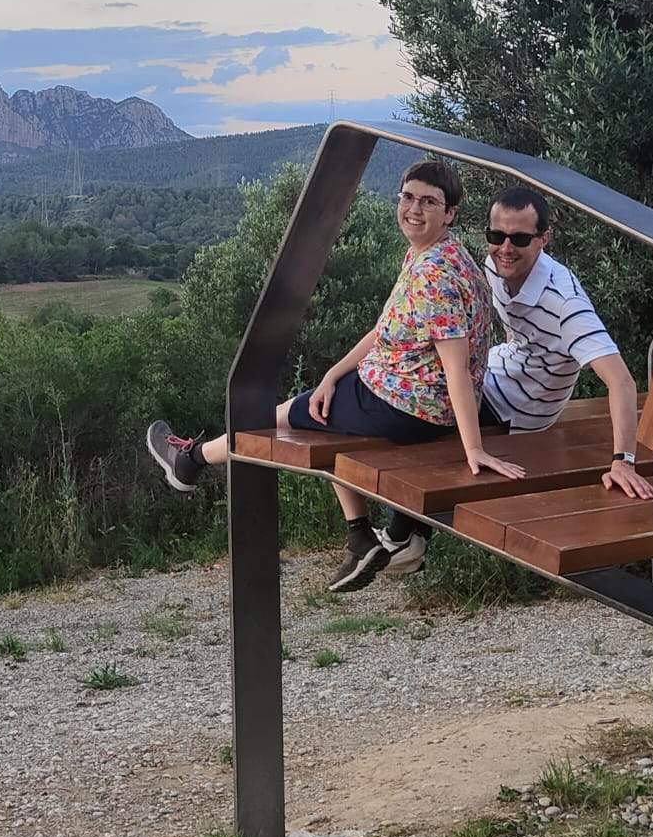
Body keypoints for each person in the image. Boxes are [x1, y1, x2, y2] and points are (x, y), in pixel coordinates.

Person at [144, 158, 516, 593]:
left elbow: (457, 366)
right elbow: (386, 330)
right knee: (321, 415)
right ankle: (370, 534)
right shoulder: (439, 254)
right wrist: (335, 373)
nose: (415, 209)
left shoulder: (433, 273)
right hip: (402, 395)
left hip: (405, 405)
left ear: (449, 212)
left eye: (429, 202)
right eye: (408, 197)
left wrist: (474, 449)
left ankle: (189, 461)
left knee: (274, 417)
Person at [373, 184, 653, 569]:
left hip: (523, 406)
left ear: (544, 239)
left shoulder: (564, 302)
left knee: (422, 410)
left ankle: (403, 538)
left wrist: (623, 461)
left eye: (520, 238)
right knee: (421, 385)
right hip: (498, 372)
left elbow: (621, 381)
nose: (505, 248)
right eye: (496, 236)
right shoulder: (496, 266)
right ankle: (411, 533)